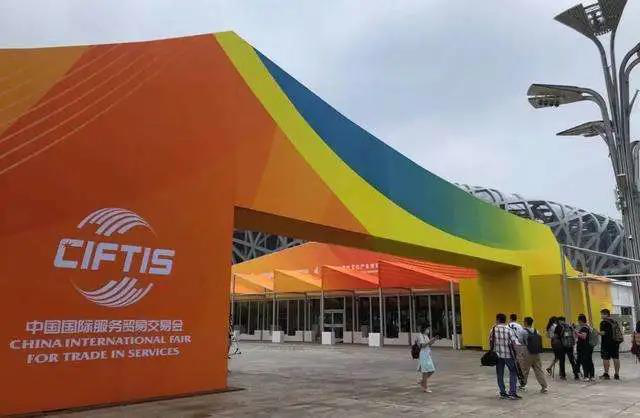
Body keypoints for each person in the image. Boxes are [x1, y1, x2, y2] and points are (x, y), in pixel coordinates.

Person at [490, 313, 521, 400]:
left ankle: (503, 392)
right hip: (508, 355)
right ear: (505, 320)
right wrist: (517, 354)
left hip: (497, 355)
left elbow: (491, 342)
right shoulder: (509, 329)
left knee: (500, 374)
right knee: (513, 371)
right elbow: (514, 342)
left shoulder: (493, 329)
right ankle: (512, 392)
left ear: (497, 320)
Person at [518, 317, 548, 393]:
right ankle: (544, 386)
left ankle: (522, 385)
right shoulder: (536, 331)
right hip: (536, 352)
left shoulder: (523, 331)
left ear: (526, 322)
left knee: (525, 370)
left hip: (527, 352)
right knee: (539, 370)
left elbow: (520, 341)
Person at [600, 308, 623, 380]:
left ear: (606, 314)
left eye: (602, 314)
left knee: (605, 358)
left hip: (606, 343)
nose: (601, 316)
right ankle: (617, 374)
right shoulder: (614, 321)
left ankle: (606, 374)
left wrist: (597, 332)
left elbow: (603, 333)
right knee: (616, 358)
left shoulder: (603, 322)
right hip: (615, 342)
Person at [416, 324, 438, 393]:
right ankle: (425, 387)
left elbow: (429, 344)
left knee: (432, 370)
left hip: (427, 354)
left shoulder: (426, 336)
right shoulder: (420, 335)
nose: (428, 330)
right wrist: (429, 341)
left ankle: (422, 381)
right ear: (424, 329)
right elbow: (422, 346)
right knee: (425, 371)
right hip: (423, 354)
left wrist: (434, 339)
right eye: (427, 329)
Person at [508, 314, 527, 391]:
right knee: (519, 362)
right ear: (516, 318)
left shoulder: (508, 326)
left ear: (510, 318)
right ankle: (522, 380)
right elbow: (522, 336)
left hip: (510, 345)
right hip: (519, 345)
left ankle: (515, 378)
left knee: (513, 362)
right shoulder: (519, 326)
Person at [575, 314, 595, 381]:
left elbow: (584, 337)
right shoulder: (588, 327)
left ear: (580, 321)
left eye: (578, 321)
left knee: (584, 362)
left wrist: (576, 333)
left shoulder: (584, 328)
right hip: (589, 346)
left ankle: (586, 376)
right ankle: (592, 376)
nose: (578, 322)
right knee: (589, 361)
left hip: (584, 347)